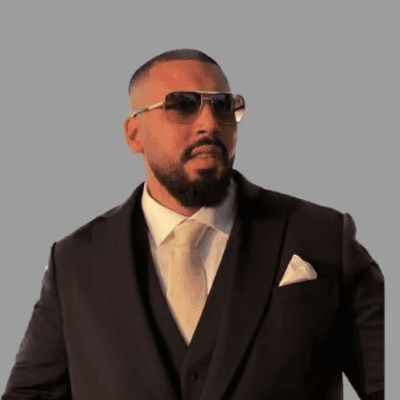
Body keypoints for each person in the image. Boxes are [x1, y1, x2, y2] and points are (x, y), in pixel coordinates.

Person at [2, 49, 384, 400]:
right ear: (134, 134)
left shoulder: (323, 236)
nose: (209, 123)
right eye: (182, 105)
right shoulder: (75, 261)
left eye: (223, 106)